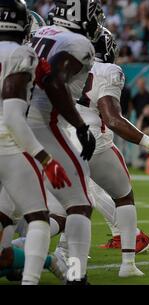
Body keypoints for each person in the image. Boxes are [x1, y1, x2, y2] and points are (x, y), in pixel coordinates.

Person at [72, 28, 149, 276]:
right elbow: (112, 118)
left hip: (59, 138)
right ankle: (128, 262)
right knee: (122, 196)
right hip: (93, 141)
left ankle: (50, 260)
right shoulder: (109, 71)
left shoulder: (67, 63)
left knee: (63, 206)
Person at [26, 0, 104, 284]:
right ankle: (76, 276)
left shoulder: (38, 33)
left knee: (9, 212)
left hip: (11, 124)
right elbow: (55, 83)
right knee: (80, 204)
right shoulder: (78, 42)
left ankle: (25, 268)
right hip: (43, 124)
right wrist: (81, 125)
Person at [0, 0, 70, 285]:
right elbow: (14, 117)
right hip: (10, 144)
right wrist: (46, 159)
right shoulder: (21, 54)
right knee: (39, 217)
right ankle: (46, 264)